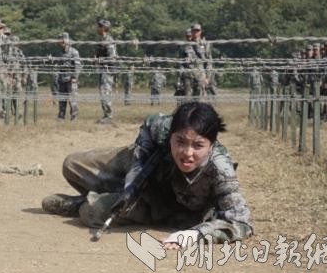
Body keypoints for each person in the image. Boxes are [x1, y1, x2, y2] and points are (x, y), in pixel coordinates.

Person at [42, 101, 253, 247]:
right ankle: (112, 194)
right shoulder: (159, 127)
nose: (187, 153)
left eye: (198, 146)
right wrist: (131, 185)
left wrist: (196, 234)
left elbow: (241, 222)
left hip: (162, 205)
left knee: (92, 212)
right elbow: (141, 147)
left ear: (211, 145)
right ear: (170, 134)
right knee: (71, 165)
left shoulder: (220, 169)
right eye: (180, 142)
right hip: (142, 170)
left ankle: (79, 204)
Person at [95, 19, 117, 123]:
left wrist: (100, 60)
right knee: (102, 93)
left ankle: (109, 116)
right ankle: (106, 115)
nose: (97, 28)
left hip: (107, 70)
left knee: (106, 93)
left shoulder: (109, 40)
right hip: (102, 69)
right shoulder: (101, 40)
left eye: (99, 26)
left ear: (103, 28)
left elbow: (112, 58)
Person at [56, 32, 81, 120]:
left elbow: (77, 66)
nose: (60, 42)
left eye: (62, 40)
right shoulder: (60, 53)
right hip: (61, 79)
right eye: (59, 41)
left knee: (72, 99)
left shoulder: (74, 52)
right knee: (62, 99)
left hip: (70, 79)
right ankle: (61, 116)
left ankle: (74, 116)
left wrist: (74, 77)